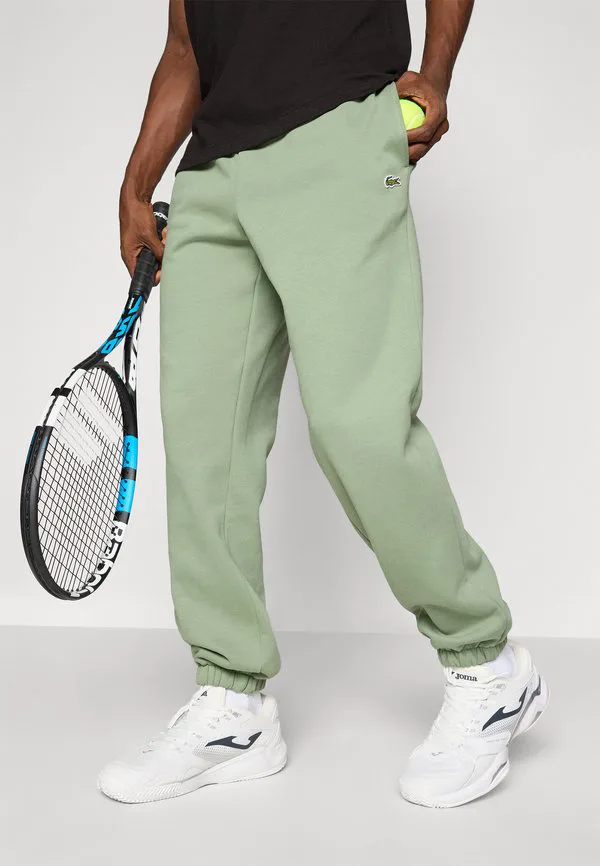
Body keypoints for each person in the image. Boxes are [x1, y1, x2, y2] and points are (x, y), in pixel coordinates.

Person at [98, 0, 548, 808]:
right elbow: (185, 43)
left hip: (337, 131)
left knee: (359, 427)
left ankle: (488, 664)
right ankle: (231, 701)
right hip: (211, 173)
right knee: (204, 447)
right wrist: (138, 182)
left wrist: (436, 76)